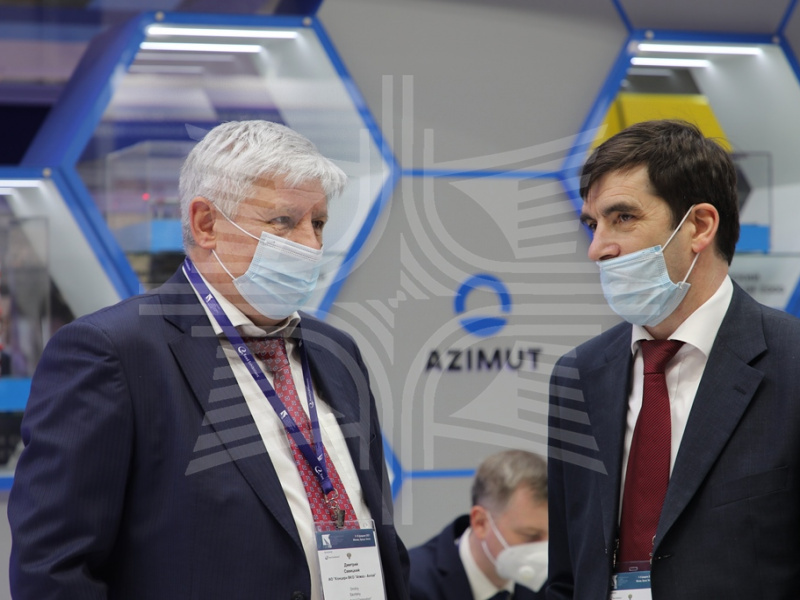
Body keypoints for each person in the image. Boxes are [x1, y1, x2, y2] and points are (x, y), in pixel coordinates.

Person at [8, 120, 410, 600]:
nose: (311, 245)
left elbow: (376, 528)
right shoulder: (114, 352)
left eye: (318, 223)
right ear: (206, 224)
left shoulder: (335, 351)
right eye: (284, 221)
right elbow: (52, 570)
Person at [546, 119, 800, 599]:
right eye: (592, 224)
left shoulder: (790, 363)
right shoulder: (577, 377)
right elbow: (568, 573)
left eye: (623, 217)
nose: (597, 249)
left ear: (699, 226)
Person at [409, 449, 549, 600]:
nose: (544, 549)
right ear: (481, 523)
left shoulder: (552, 585)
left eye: (552, 538)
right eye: (530, 535)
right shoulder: (409, 584)